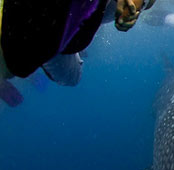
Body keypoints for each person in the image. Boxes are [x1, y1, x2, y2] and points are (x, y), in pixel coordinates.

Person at [0, 0, 154, 107]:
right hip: (43, 43)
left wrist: (136, 4)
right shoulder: (21, 50)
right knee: (71, 76)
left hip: (52, 35)